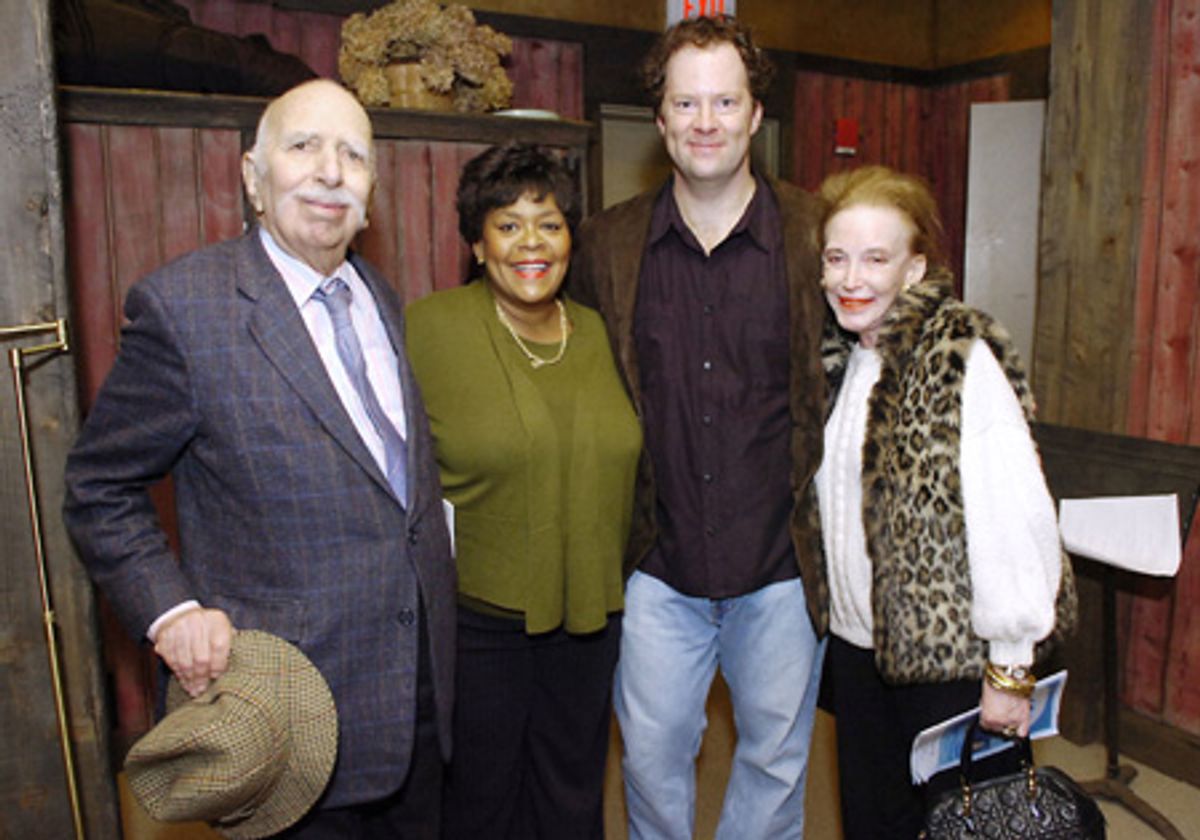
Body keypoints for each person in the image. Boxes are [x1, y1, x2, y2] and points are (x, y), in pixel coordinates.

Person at [63, 78, 456, 839]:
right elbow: (97, 486)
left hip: (416, 703)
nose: (330, 171)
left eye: (353, 154)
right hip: (291, 714)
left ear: (373, 188)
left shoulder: (380, 297)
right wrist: (170, 610)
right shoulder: (186, 309)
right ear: (253, 175)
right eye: (303, 146)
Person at [569, 15, 828, 840]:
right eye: (687, 103)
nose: (706, 121)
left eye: (725, 101)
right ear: (661, 120)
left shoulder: (819, 235)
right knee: (648, 763)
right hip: (656, 567)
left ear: (756, 116)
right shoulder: (607, 244)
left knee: (775, 765)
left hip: (781, 567)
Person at [814, 164, 1076, 839]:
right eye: (837, 258)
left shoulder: (958, 358)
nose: (852, 279)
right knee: (876, 824)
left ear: (914, 268)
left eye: (876, 258)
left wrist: (1011, 668)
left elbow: (1013, 514)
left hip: (949, 663)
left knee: (975, 827)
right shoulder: (842, 361)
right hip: (858, 652)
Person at [404, 143, 642, 839]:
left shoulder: (599, 333)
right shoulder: (428, 329)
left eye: (549, 223)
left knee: (573, 798)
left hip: (592, 620)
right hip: (478, 627)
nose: (531, 243)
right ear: (477, 244)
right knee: (482, 805)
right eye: (507, 225)